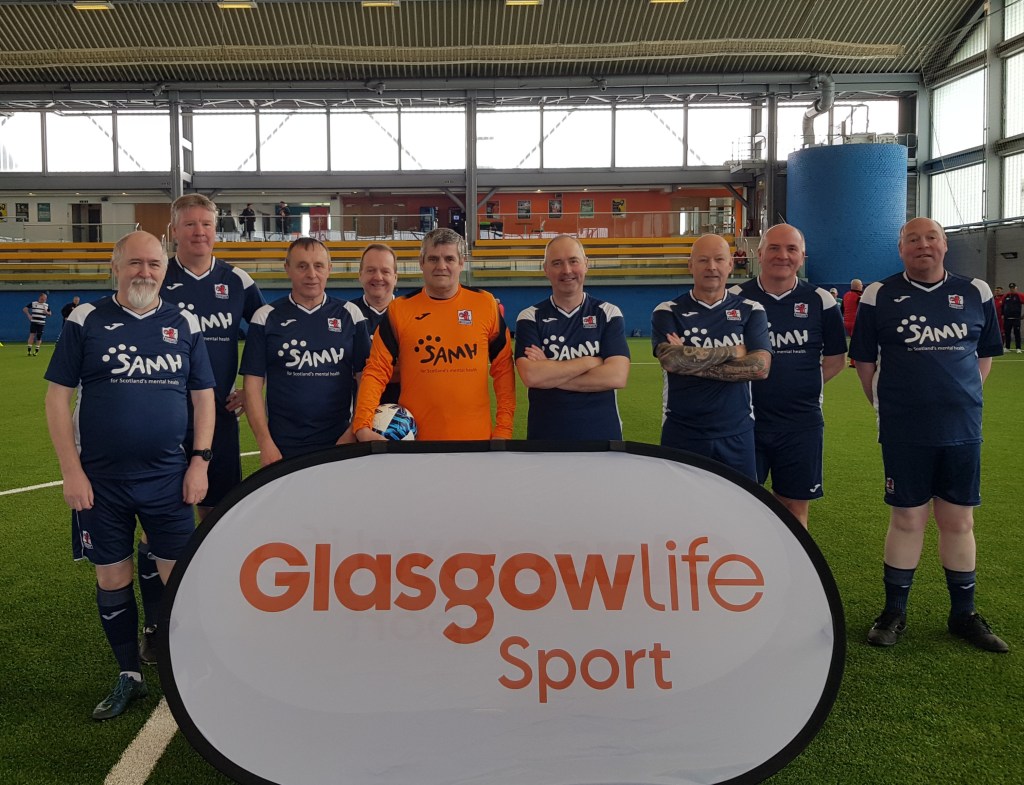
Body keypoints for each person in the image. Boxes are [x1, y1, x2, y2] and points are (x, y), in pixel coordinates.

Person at [44, 231, 216, 720]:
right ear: (116, 267)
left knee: (181, 579)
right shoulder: (86, 319)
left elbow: (203, 396)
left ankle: (192, 673)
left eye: (154, 264)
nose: (145, 272)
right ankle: (129, 675)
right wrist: (71, 472)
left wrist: (199, 461)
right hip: (101, 483)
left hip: (169, 479)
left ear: (166, 269)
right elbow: (57, 398)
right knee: (113, 576)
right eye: (135, 263)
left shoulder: (184, 321)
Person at [849, 217, 1008, 653]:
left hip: (961, 429)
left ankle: (964, 615)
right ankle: (894, 612)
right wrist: (891, 406)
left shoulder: (976, 291)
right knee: (907, 518)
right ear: (900, 248)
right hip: (905, 430)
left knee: (959, 520)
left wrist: (956, 399)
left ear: (944, 245)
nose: (923, 245)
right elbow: (864, 363)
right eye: (912, 239)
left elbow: (984, 358)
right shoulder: (879, 295)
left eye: (931, 238)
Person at [148, 194, 264, 665]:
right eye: (190, 224)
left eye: (207, 224)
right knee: (156, 523)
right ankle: (157, 621)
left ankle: (214, 607)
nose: (199, 231)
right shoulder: (159, 275)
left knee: (217, 511)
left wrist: (247, 384)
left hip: (219, 419)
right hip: (165, 419)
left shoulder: (237, 280)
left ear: (218, 230)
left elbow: (263, 333)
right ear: (174, 230)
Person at [729, 224, 847, 527]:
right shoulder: (734, 299)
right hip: (744, 421)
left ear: (803, 256)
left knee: (794, 509)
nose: (783, 255)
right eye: (774, 248)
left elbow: (835, 359)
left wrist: (802, 386)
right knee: (739, 506)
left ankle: (793, 574)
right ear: (759, 253)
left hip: (801, 424)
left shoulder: (822, 301)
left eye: (791, 249)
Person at [352, 227, 515, 441]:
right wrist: (362, 425)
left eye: (449, 258)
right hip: (416, 446)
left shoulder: (485, 304)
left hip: (476, 443)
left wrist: (504, 429)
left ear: (462, 262)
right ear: (421, 262)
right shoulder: (400, 310)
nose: (441, 266)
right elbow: (376, 370)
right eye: (433, 259)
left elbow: (503, 368)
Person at [651, 233, 772, 480]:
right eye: (703, 260)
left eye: (719, 259)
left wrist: (690, 359)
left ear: (730, 264)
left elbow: (759, 368)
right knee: (681, 509)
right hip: (683, 431)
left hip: (736, 432)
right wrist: (734, 351)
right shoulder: (668, 310)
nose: (712, 267)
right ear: (690, 265)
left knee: (739, 509)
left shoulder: (751, 309)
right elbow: (671, 361)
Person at [241, 237, 371, 464]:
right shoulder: (265, 316)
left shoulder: (351, 315)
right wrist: (265, 443)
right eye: (302, 266)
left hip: (339, 441)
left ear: (329, 269)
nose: (311, 274)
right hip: (282, 446)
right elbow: (252, 387)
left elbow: (365, 380)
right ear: (287, 269)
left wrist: (352, 432)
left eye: (318, 265)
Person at [515, 235, 630, 439]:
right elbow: (532, 376)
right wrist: (591, 361)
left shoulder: (608, 313)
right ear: (546, 270)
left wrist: (550, 371)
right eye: (557, 263)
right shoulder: (530, 316)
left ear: (586, 264)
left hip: (602, 436)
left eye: (573, 261)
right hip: (546, 437)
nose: (567, 271)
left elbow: (616, 376)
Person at [349, 243, 401, 404]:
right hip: (355, 413)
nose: (378, 277)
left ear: (395, 277)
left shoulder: (411, 315)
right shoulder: (345, 315)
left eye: (385, 271)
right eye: (371, 270)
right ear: (360, 275)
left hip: (404, 417)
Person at [842, 278, 863, 367]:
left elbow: (842, 309)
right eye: (861, 285)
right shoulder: (859, 296)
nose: (862, 286)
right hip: (855, 322)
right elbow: (862, 311)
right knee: (857, 342)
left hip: (846, 322)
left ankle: (853, 361)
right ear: (858, 286)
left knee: (854, 341)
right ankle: (854, 362)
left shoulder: (846, 295)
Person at [1001, 281, 1022, 352]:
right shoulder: (1006, 296)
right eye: (1011, 288)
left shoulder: (1019, 295)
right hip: (1007, 318)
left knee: (1017, 333)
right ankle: (1007, 347)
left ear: (1016, 288)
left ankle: (1018, 348)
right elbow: (1002, 306)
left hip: (1016, 318)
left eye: (1013, 288)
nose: (1012, 289)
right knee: (1007, 333)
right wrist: (1002, 314)